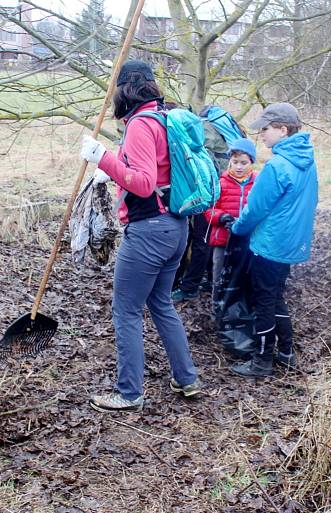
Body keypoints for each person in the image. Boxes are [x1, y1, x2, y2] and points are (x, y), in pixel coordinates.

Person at [79, 60, 201, 411]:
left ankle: (128, 392)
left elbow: (144, 183)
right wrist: (114, 169)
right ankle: (186, 378)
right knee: (160, 302)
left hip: (149, 231)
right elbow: (154, 170)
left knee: (126, 310)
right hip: (176, 227)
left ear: (124, 89)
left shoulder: (139, 125)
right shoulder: (164, 116)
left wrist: (103, 158)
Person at [227, 103, 318, 377]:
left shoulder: (277, 165)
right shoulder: (307, 160)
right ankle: (286, 351)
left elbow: (256, 208)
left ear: (282, 129)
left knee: (263, 301)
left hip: (270, 244)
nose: (261, 135)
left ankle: (262, 361)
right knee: (275, 296)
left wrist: (237, 228)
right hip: (291, 243)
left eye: (265, 129)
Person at [205, 138, 258, 303]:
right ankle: (218, 307)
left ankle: (243, 310)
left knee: (246, 275)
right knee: (219, 275)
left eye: (244, 162)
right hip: (223, 240)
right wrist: (221, 217)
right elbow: (209, 209)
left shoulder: (258, 183)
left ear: (251, 163)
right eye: (235, 162)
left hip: (249, 240)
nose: (239, 166)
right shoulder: (221, 183)